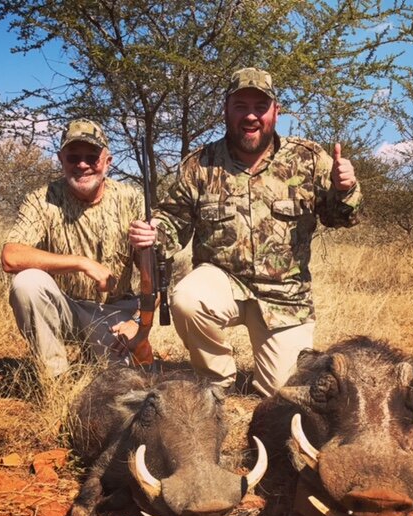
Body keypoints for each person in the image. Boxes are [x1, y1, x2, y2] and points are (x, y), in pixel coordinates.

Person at [129, 68, 362, 396]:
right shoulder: (200, 164)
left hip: (285, 298)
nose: (250, 115)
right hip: (223, 283)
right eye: (240, 106)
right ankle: (214, 382)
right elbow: (171, 221)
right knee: (187, 298)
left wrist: (345, 189)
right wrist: (154, 233)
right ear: (226, 110)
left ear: (276, 112)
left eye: (260, 106)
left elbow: (341, 218)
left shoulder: (309, 158)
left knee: (283, 396)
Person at [1, 118, 151, 378]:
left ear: (107, 161)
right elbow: (10, 257)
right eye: (73, 157)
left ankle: (113, 354)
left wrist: (138, 324)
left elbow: (156, 276)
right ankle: (55, 379)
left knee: (122, 384)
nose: (82, 165)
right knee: (27, 282)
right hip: (65, 310)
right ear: (61, 159)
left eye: (92, 157)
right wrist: (83, 262)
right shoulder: (42, 198)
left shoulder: (132, 199)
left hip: (115, 314)